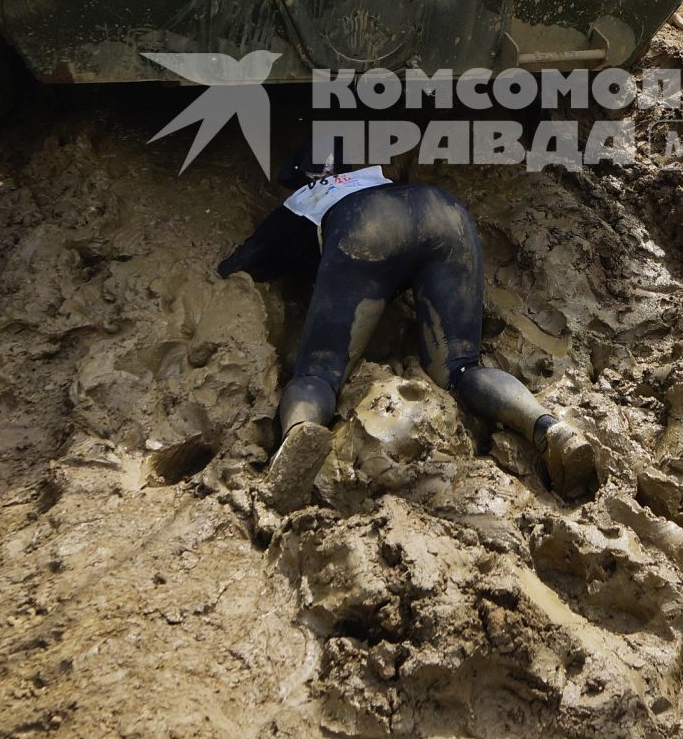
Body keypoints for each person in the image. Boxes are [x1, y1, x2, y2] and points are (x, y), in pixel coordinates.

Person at [218, 150, 599, 510]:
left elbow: (239, 266)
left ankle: (298, 435)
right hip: (444, 212)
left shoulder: (300, 202)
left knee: (319, 371)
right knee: (462, 366)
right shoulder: (372, 177)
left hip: (367, 226)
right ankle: (550, 428)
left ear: (298, 178)